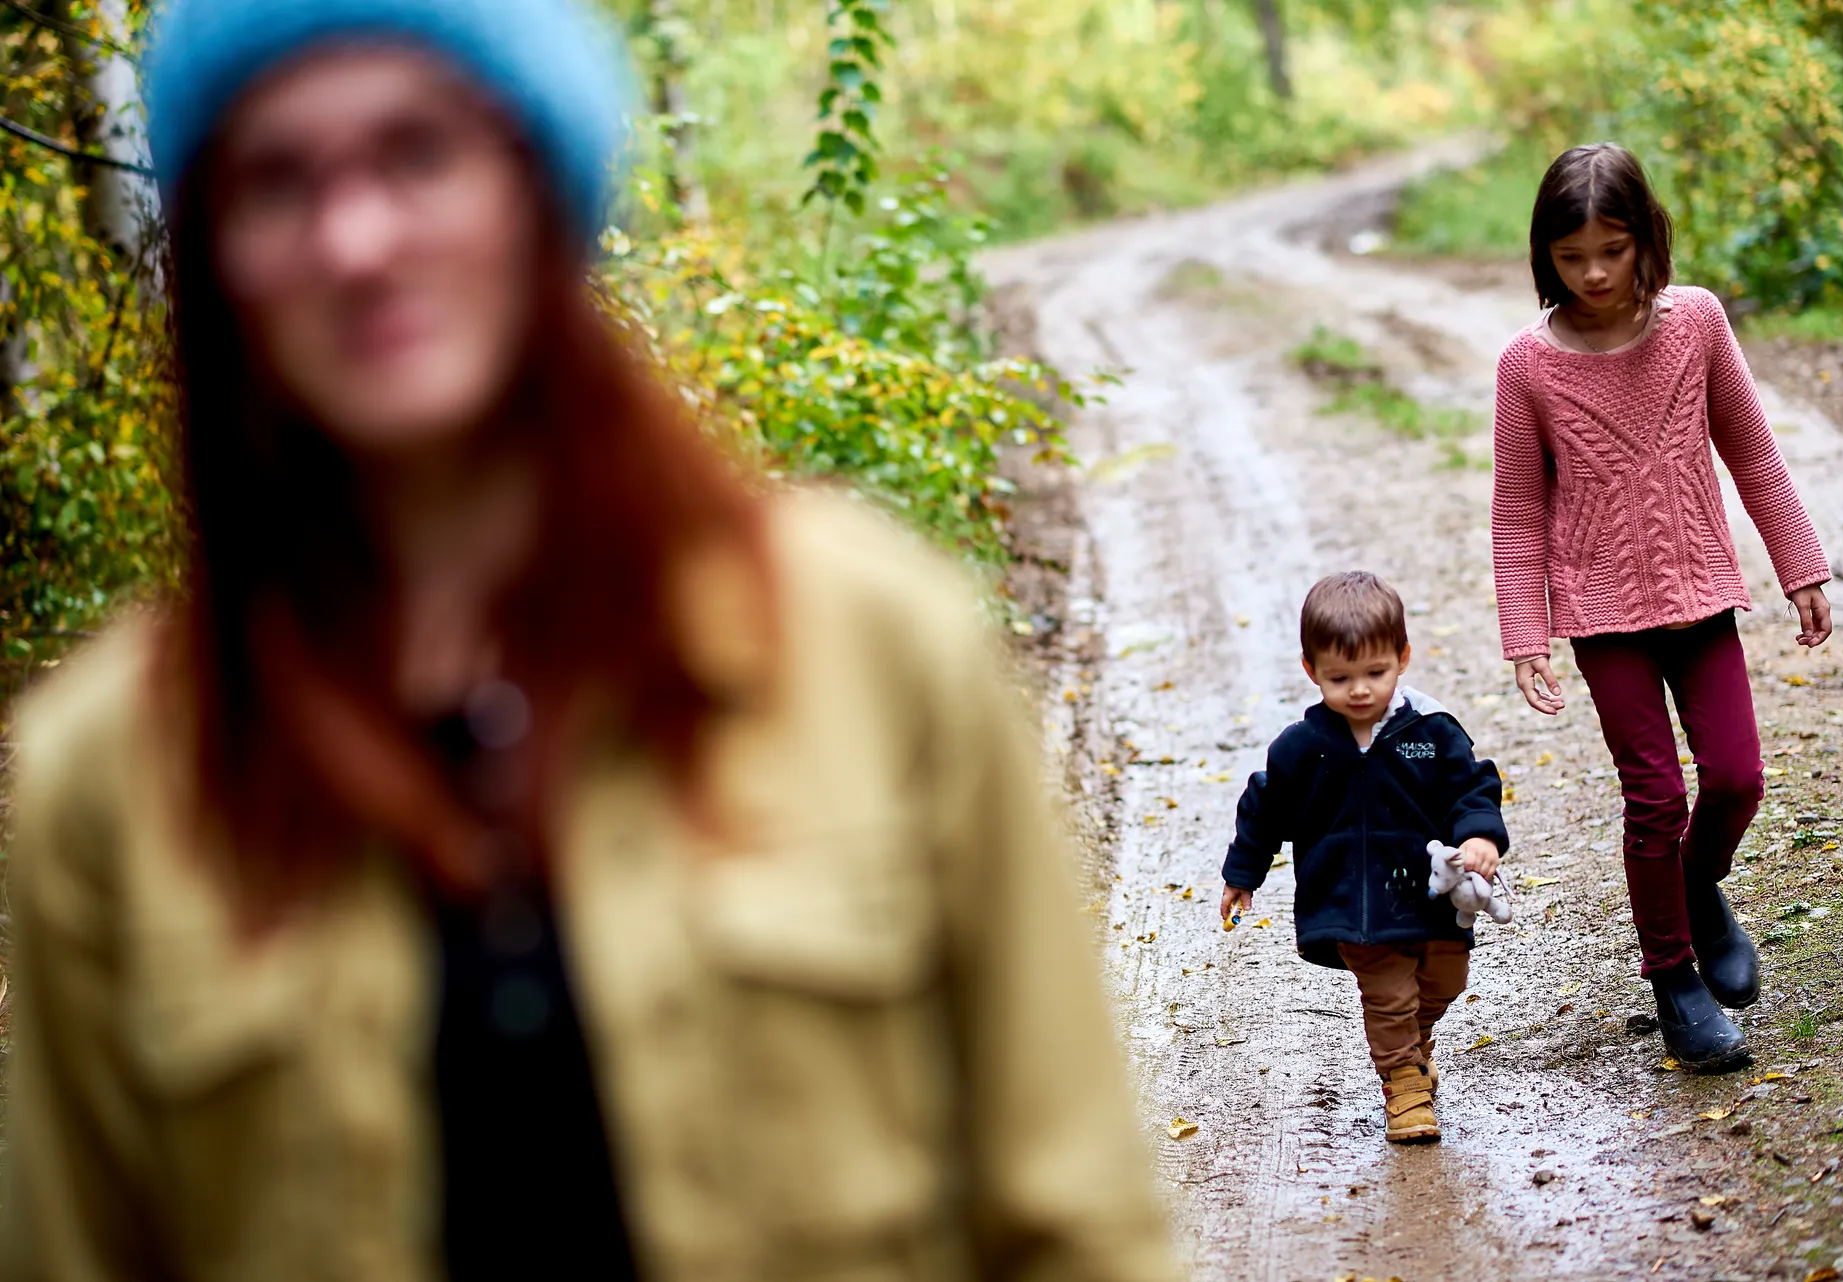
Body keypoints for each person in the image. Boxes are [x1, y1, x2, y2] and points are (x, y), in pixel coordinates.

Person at [0, 2, 1174, 1279]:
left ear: (538, 187)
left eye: (418, 153)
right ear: (219, 252)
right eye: (276, 182)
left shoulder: (871, 644)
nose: (355, 239)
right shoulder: (109, 772)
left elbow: (1077, 1228)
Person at [1491, 142, 1833, 1072]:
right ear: (1544, 255)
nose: (1595, 273)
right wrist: (1528, 630)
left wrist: (1799, 562)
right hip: (1606, 619)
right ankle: (1675, 980)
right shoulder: (1527, 365)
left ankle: (1691, 886)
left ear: (1649, 236)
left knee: (1736, 781)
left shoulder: (1698, 323)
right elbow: (1519, 507)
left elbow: (1752, 452)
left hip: (1702, 596)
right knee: (1655, 795)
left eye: (1614, 248)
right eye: (1571, 257)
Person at [1218, 572, 1509, 1145]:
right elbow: (1264, 806)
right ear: (1312, 671)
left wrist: (1481, 838)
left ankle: (1412, 1040)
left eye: (1374, 673)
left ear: (1402, 658)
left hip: (1430, 891)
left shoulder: (1432, 730)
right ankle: (1403, 1082)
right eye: (1339, 677)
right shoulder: (1303, 745)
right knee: (1387, 992)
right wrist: (1242, 872)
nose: (1358, 690)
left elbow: (1472, 788)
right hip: (1353, 900)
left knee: (1445, 979)